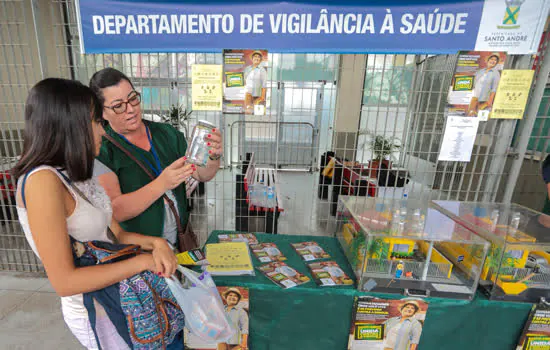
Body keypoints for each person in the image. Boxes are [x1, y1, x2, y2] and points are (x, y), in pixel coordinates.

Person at [12, 78, 180, 349]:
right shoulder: (43, 182)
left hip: (120, 296)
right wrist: (143, 262)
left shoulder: (76, 174)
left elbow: (117, 234)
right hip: (97, 310)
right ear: (71, 126)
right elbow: (65, 281)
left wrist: (156, 243)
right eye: (97, 122)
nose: (102, 132)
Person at [89, 68, 222, 248]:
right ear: (102, 112)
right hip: (138, 250)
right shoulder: (103, 150)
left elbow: (201, 174)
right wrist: (163, 183)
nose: (131, 109)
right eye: (118, 105)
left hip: (178, 241)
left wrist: (212, 156)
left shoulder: (166, 134)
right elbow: (116, 210)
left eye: (133, 98)